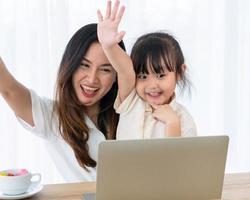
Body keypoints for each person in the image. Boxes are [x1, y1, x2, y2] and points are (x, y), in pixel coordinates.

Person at [0, 23, 126, 182]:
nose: (92, 78)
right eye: (84, 65)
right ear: (70, 65)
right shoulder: (51, 117)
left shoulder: (128, 111)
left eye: (105, 69)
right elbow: (9, 89)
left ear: (117, 76)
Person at [97, 0, 197, 139]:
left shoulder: (183, 118)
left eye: (161, 75)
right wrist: (109, 46)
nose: (152, 85)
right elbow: (125, 70)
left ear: (179, 72)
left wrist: (172, 123)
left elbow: (179, 160)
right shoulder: (131, 101)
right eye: (143, 76)